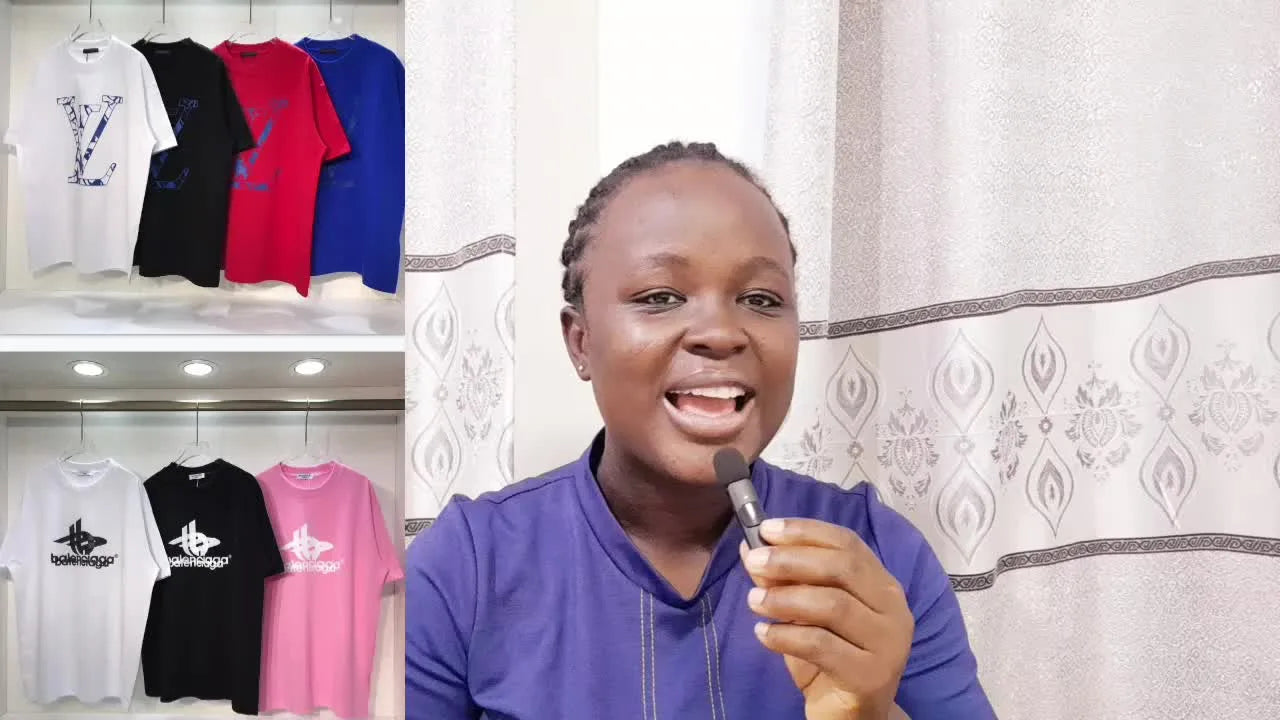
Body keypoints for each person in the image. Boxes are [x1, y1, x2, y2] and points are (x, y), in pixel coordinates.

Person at [406, 141, 997, 719]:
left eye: (762, 299)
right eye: (661, 296)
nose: (720, 332)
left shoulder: (878, 555)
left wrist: (869, 714)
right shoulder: (466, 566)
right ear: (581, 342)